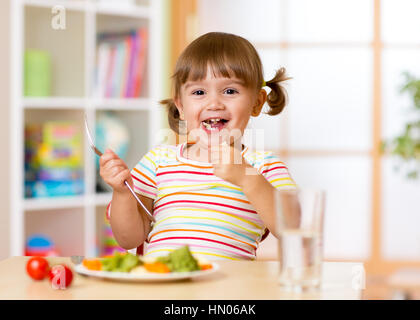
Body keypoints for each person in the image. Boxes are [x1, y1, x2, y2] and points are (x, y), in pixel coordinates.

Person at [100, 32, 297, 261]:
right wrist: (122, 193)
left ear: (257, 102)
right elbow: (128, 239)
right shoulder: (158, 161)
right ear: (181, 106)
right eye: (199, 92)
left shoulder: (264, 166)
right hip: (163, 283)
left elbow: (294, 228)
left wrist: (247, 178)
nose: (213, 103)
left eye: (230, 91)